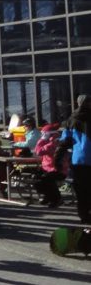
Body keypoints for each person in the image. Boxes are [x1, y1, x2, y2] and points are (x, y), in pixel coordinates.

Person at [56, 95, 90, 223]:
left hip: (79, 160)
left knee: (81, 190)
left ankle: (84, 216)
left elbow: (64, 142)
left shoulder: (72, 119)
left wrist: (57, 158)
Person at [33, 123, 68, 209]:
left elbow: (38, 151)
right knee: (36, 178)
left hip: (59, 170)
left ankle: (57, 199)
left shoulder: (55, 142)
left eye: (44, 133)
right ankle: (48, 196)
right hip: (48, 168)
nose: (42, 135)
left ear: (49, 134)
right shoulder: (50, 141)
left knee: (46, 179)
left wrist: (41, 140)